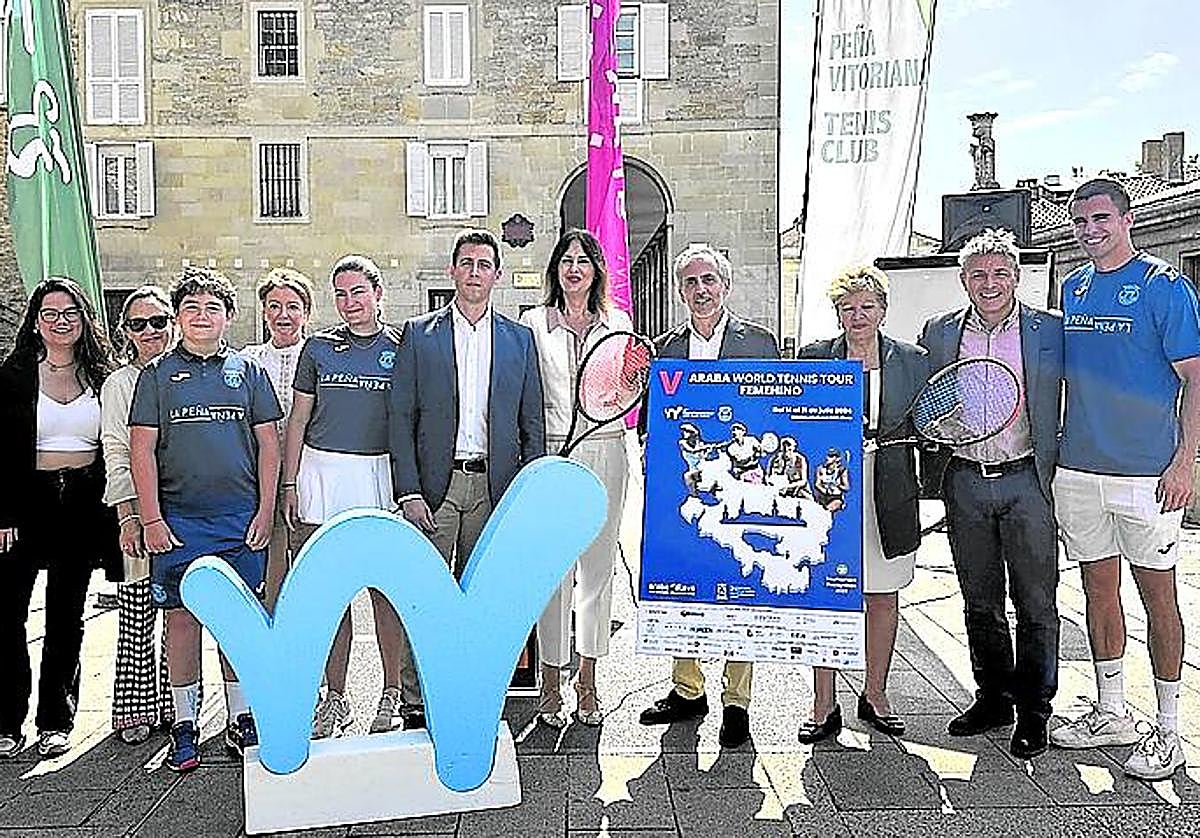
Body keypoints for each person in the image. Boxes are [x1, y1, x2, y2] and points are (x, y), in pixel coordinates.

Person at [1048, 178, 1200, 780]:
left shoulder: (1165, 286)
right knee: (1097, 592)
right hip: (1080, 469)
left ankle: (1169, 729)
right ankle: (1111, 709)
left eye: (1101, 218)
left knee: (1158, 596)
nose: (1089, 230)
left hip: (1149, 477)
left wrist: (1185, 460)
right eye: (1081, 221)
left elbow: (1196, 379)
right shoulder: (1073, 286)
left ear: (1125, 218)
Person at [389, 229, 545, 722]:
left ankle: (476, 693)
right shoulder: (419, 334)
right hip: (436, 487)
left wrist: (523, 496)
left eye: (484, 264)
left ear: (497, 276)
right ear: (453, 271)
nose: (475, 272)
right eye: (467, 263)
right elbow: (401, 418)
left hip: (493, 489)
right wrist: (408, 490)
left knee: (482, 598)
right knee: (426, 595)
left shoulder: (519, 339)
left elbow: (531, 423)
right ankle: (415, 697)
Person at [129, 267, 282, 772]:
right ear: (178, 317)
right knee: (182, 619)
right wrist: (151, 518)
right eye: (191, 308)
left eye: (211, 308)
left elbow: (268, 444)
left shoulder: (249, 371)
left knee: (237, 622)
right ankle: (186, 721)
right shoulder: (155, 377)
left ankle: (242, 718)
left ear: (229, 317)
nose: (201, 317)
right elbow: (142, 449)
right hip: (178, 522)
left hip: (240, 521)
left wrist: (264, 509)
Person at [918, 228, 1063, 759]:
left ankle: (1034, 710)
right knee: (980, 602)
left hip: (1029, 481)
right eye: (978, 274)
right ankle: (994, 698)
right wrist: (937, 430)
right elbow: (924, 402)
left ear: (1017, 277)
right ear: (962, 280)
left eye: (1000, 273)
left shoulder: (1050, 329)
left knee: (1036, 603)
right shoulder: (937, 333)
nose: (990, 283)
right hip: (967, 481)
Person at [638, 243, 779, 749]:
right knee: (684, 578)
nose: (701, 290)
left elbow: (775, 414)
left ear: (726, 285)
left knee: (740, 581)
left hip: (741, 488)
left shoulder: (759, 343)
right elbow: (651, 418)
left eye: (709, 281)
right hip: (683, 489)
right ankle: (687, 690)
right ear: (680, 291)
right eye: (691, 282)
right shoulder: (663, 350)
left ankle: (736, 703)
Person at [796, 266, 929, 743]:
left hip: (889, 487)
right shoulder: (812, 358)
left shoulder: (914, 360)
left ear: (883, 310)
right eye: (848, 307)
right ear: (837, 313)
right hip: (829, 492)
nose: (857, 315)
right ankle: (822, 701)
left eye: (867, 306)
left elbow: (930, 424)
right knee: (827, 596)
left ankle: (876, 693)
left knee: (881, 593)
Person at [279, 256, 409, 738]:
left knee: (383, 592)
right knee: (329, 595)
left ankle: (390, 691)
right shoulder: (318, 349)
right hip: (321, 476)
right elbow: (297, 419)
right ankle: (336, 697)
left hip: (378, 477)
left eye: (358, 291)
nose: (349, 302)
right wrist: (290, 482)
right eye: (340, 293)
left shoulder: (403, 345)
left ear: (378, 294)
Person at [518, 229, 635, 728]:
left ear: (596, 270)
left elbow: (629, 386)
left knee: (598, 569)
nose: (573, 268)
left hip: (608, 451)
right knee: (552, 574)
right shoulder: (530, 325)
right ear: (555, 270)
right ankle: (550, 682)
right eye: (565, 260)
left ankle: (587, 678)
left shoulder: (618, 322)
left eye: (583, 261)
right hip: (551, 458)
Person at [0, 278, 119, 760]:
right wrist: (2, 512)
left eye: (71, 312)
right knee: (7, 616)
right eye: (50, 313)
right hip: (25, 506)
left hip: (83, 505)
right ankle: (7, 722)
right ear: (35, 321)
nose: (61, 321)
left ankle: (56, 720)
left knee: (67, 616)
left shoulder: (102, 375)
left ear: (84, 318)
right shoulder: (11, 377)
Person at [100, 286, 178, 744]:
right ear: (126, 332)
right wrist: (130, 515)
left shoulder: (185, 373)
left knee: (178, 610)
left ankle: (174, 701)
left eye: (159, 321)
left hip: (184, 508)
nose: (150, 331)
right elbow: (116, 450)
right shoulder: (120, 384)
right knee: (136, 612)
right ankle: (133, 707)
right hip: (139, 508)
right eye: (139, 323)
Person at [240, 267, 314, 609]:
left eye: (292, 306)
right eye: (274, 306)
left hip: (308, 479)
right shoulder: (248, 359)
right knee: (269, 573)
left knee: (309, 575)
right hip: (258, 482)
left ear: (306, 312)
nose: (283, 314)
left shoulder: (318, 355)